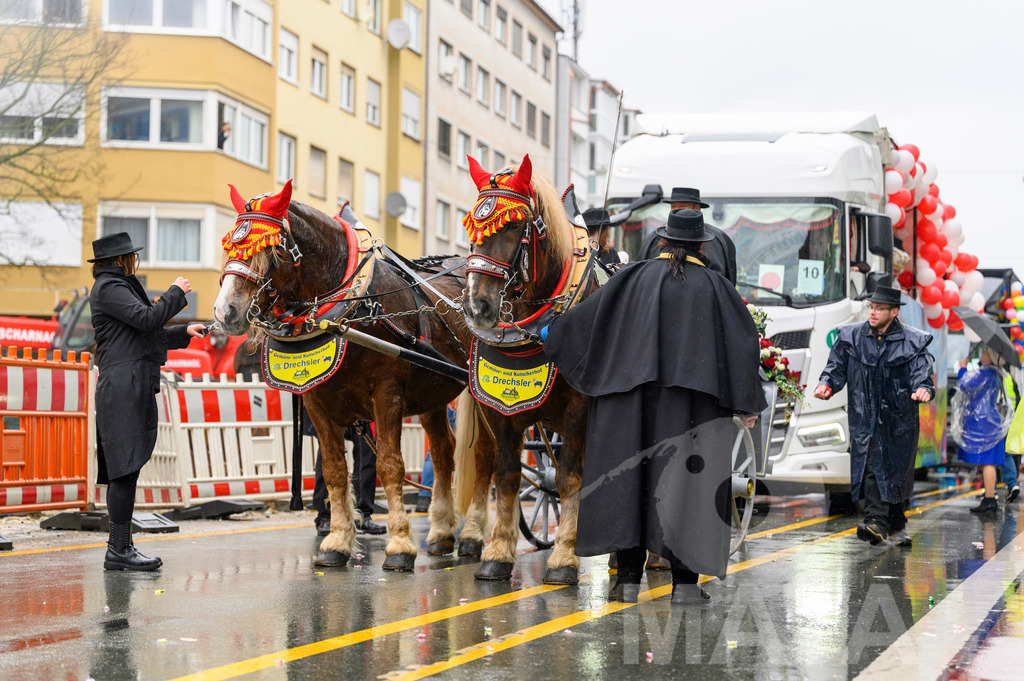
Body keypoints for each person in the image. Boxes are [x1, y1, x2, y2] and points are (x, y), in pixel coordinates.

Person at [543, 209, 766, 605]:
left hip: (627, 406)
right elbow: (744, 345)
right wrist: (746, 403)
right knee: (689, 490)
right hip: (693, 410)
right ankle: (683, 586)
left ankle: (625, 581)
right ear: (701, 245)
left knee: (628, 486)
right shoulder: (717, 288)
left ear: (662, 241)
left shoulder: (631, 279)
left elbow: (584, 323)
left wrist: (549, 334)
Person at [89, 232, 206, 571]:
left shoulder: (116, 288)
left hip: (129, 384)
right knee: (123, 469)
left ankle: (121, 548)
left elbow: (141, 336)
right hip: (123, 387)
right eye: (132, 257)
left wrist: (184, 333)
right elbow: (146, 319)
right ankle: (118, 550)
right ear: (123, 260)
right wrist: (176, 293)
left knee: (127, 468)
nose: (134, 262)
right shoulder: (110, 288)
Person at [814, 285, 935, 547]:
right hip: (864, 415)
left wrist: (923, 388)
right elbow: (835, 367)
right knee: (871, 466)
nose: (873, 312)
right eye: (871, 307)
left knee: (895, 472)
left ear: (893, 312)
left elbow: (921, 372)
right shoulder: (851, 336)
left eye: (879, 308)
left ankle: (897, 524)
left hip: (899, 418)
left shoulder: (913, 340)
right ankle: (876, 522)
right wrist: (827, 384)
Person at [636, 187, 737, 285]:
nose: (676, 211)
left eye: (682, 206)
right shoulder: (655, 236)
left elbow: (720, 281)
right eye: (673, 207)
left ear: (697, 208)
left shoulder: (714, 238)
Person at [307, 414, 387, 536]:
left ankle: (362, 515)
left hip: (358, 405)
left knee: (367, 448)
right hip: (329, 402)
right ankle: (325, 515)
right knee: (328, 450)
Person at [955, 349, 1013, 514]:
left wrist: (962, 368)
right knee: (988, 462)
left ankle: (989, 500)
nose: (983, 353)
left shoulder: (987, 372)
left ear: (992, 357)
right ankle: (989, 498)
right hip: (989, 422)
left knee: (987, 462)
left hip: (984, 424)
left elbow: (965, 385)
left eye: (987, 351)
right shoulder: (993, 373)